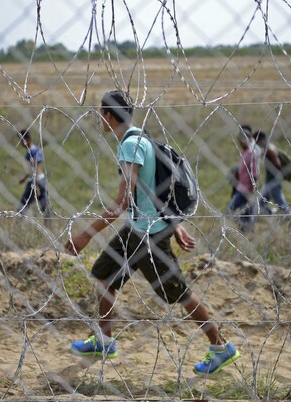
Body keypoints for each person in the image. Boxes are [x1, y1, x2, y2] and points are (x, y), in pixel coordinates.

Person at [64, 90, 239, 376]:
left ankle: (221, 347)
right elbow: (154, 189)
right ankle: (104, 340)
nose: (100, 120)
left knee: (179, 293)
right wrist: (176, 224)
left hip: (147, 235)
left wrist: (85, 236)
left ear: (108, 116)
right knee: (103, 275)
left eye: (101, 115)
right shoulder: (141, 138)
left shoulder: (129, 146)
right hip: (138, 228)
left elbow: (123, 200)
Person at [254, 130, 291, 221]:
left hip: (273, 182)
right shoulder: (269, 148)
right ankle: (272, 214)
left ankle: (290, 218)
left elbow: (277, 164)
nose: (256, 143)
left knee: (280, 202)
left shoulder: (269, 150)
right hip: (270, 181)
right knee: (261, 203)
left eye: (256, 141)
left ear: (260, 139)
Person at [226, 129, 259, 232]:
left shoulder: (251, 154)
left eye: (242, 139)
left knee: (232, 208)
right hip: (241, 186)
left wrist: (252, 188)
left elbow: (254, 173)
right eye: (239, 140)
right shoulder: (245, 153)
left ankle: (247, 227)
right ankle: (246, 229)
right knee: (245, 210)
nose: (240, 142)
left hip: (246, 188)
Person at [17, 129, 51, 221]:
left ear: (27, 139)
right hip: (42, 179)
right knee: (45, 205)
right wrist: (24, 178)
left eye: (21, 141)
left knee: (23, 204)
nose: (20, 143)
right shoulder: (37, 149)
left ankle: (18, 224)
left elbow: (35, 169)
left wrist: (35, 184)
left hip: (35, 181)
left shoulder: (30, 152)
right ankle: (49, 224)